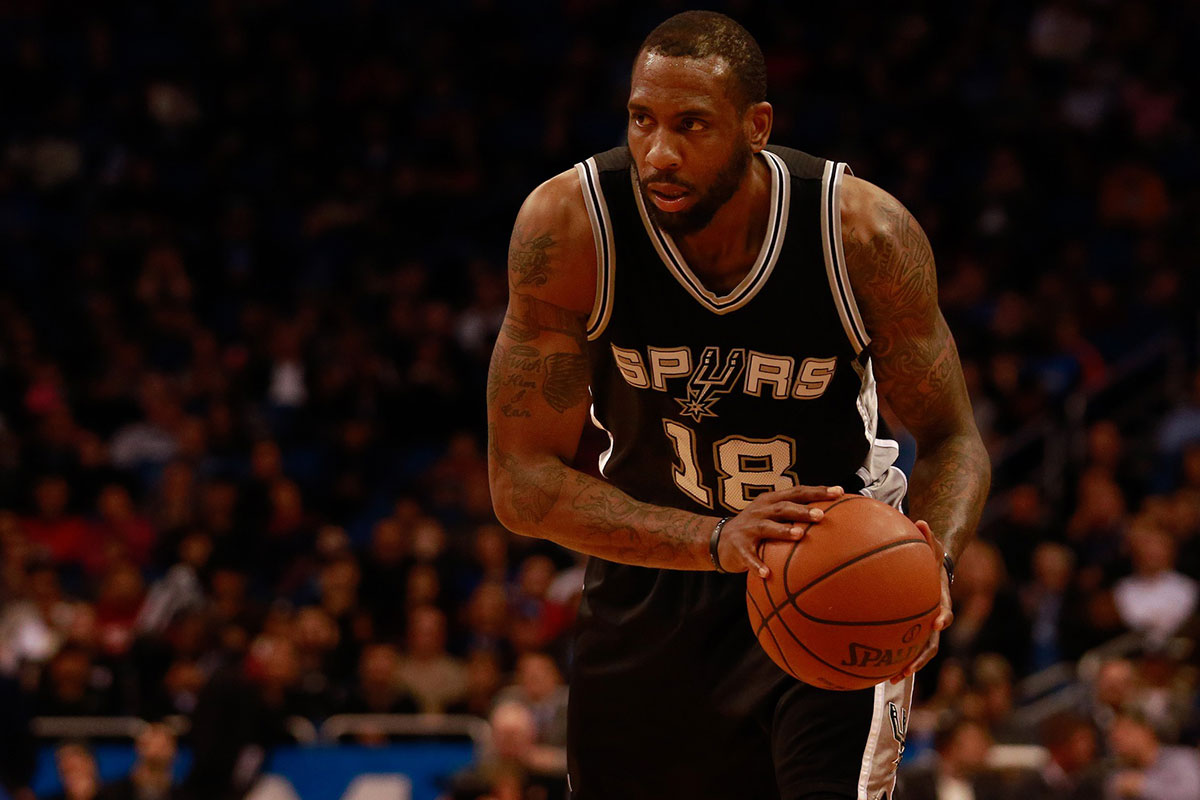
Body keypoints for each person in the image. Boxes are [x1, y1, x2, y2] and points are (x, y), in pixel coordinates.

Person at [486, 11, 990, 800]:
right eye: (642, 119)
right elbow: (520, 482)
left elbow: (953, 438)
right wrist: (717, 540)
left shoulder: (860, 233)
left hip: (832, 570)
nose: (660, 152)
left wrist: (934, 565)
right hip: (650, 573)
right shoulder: (571, 227)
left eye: (693, 125)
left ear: (757, 127)